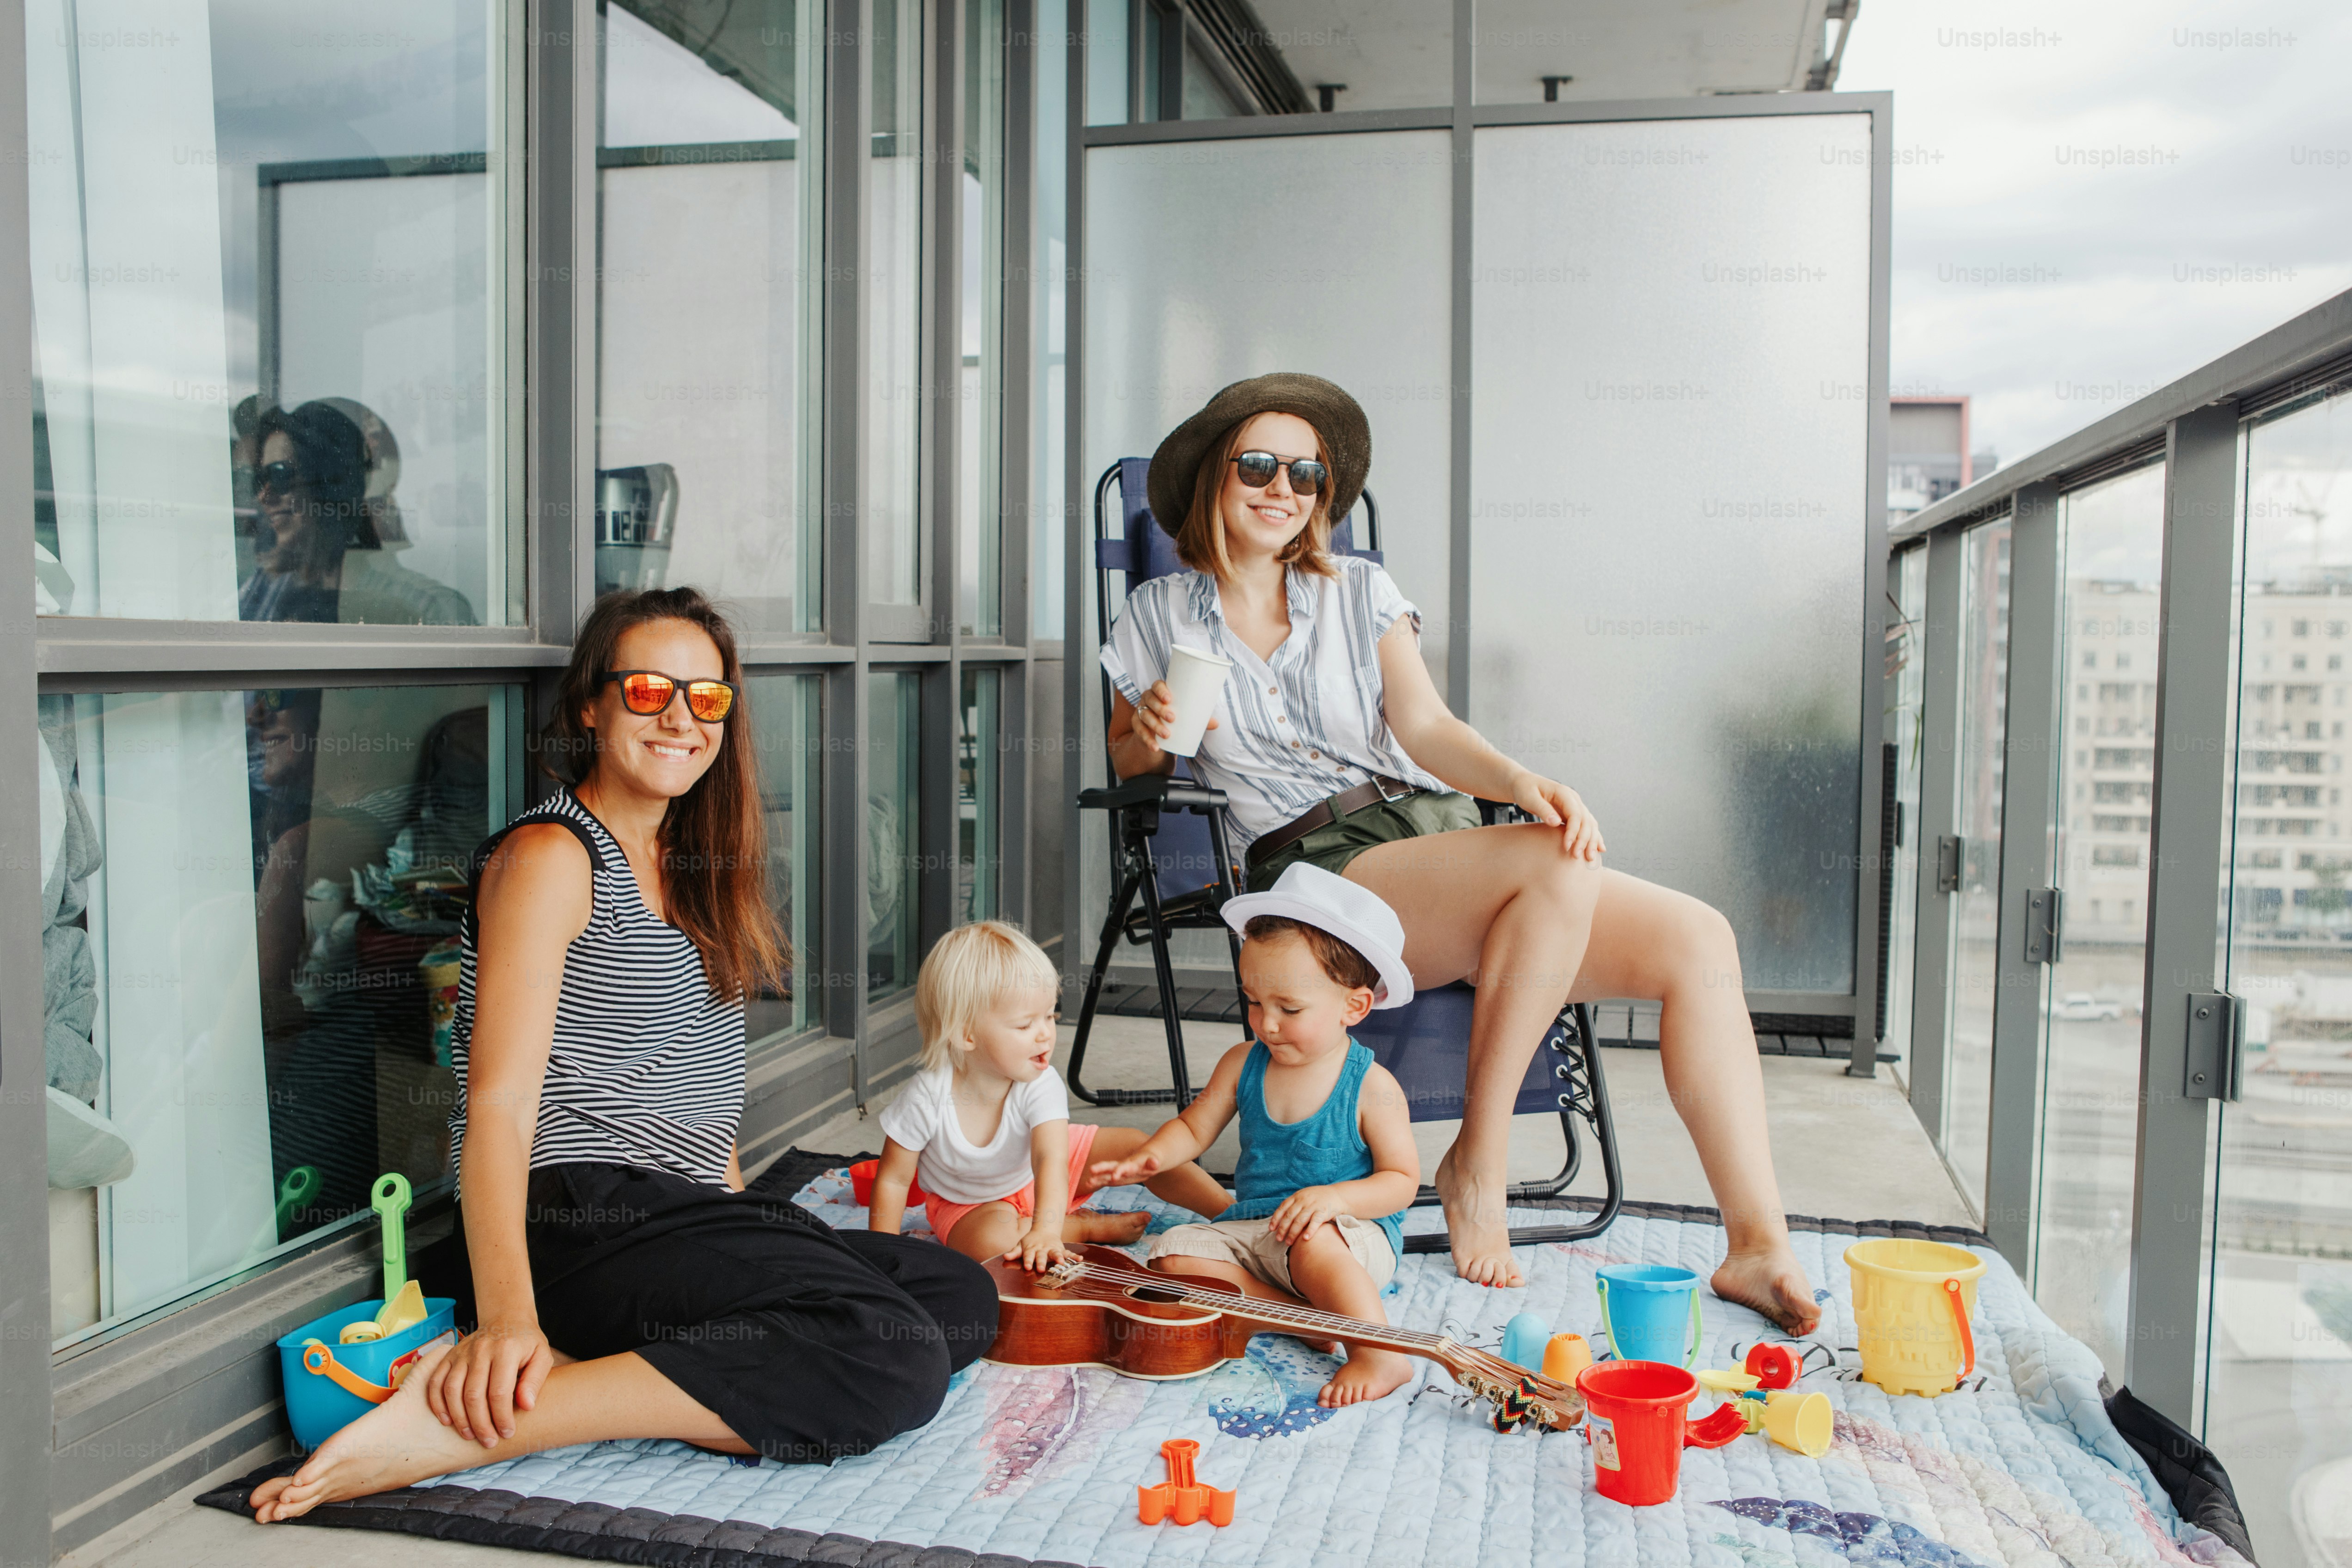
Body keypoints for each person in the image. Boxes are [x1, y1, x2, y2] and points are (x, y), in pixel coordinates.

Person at [251, 588, 997, 1523]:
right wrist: (507, 1318)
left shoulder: (698, 864)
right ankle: (504, 1415)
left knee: (955, 1290)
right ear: (592, 706)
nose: (681, 717)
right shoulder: (552, 857)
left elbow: (700, 1088)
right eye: (649, 691)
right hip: (581, 1216)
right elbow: (498, 1105)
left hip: (672, 1216)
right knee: (892, 1348)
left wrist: (746, 1233)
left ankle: (585, 1367)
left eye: (707, 698)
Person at [1100, 373, 1819, 1329]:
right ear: (1214, 479)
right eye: (1259, 465)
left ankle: (1757, 1244)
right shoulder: (1160, 612)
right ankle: (1479, 1157)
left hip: (1432, 831)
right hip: (1313, 873)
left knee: (1701, 939)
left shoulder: (1359, 589)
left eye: (1308, 475)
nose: (1285, 489)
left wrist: (1520, 782)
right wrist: (1151, 728)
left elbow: (1426, 723)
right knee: (1558, 864)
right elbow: (1129, 757)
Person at [1091, 864, 1419, 1407]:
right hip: (1257, 1233)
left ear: (1353, 1006)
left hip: (1345, 1238)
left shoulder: (1370, 1085)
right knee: (1169, 1262)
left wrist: (1334, 1198)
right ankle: (1302, 1317)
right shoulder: (1243, 1062)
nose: (1266, 1023)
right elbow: (1194, 1127)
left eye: (1289, 1008)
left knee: (1312, 1238)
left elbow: (1402, 1181)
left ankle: (1379, 1349)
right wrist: (1150, 1156)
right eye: (1254, 1000)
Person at [867, 920, 1229, 1267]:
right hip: (971, 1205)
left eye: (1050, 1017)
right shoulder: (925, 1097)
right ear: (966, 1036)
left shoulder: (1040, 1081)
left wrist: (1044, 1227)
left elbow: (1050, 1160)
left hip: (1045, 1171)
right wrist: (882, 1254)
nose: (1045, 1035)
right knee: (988, 1244)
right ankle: (1084, 1227)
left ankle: (1233, 1213)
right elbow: (894, 1179)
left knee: (1140, 1148)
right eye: (1025, 1024)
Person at [239, 400, 476, 627]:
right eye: (261, 479)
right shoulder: (265, 587)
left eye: (280, 474)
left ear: (331, 486)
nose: (264, 496)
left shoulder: (432, 610)